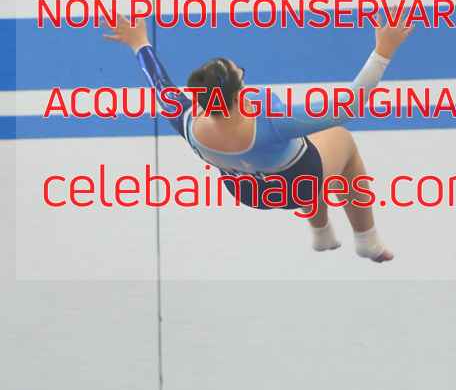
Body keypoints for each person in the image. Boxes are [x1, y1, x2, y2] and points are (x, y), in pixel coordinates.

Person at [104, 13, 412, 262]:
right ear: (238, 94)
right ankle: (367, 240)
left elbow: (160, 84)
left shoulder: (188, 123)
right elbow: (348, 107)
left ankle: (322, 233)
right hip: (298, 185)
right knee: (340, 141)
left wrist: (139, 42)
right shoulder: (270, 122)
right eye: (241, 74)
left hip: (250, 192)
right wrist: (383, 51)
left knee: (306, 148)